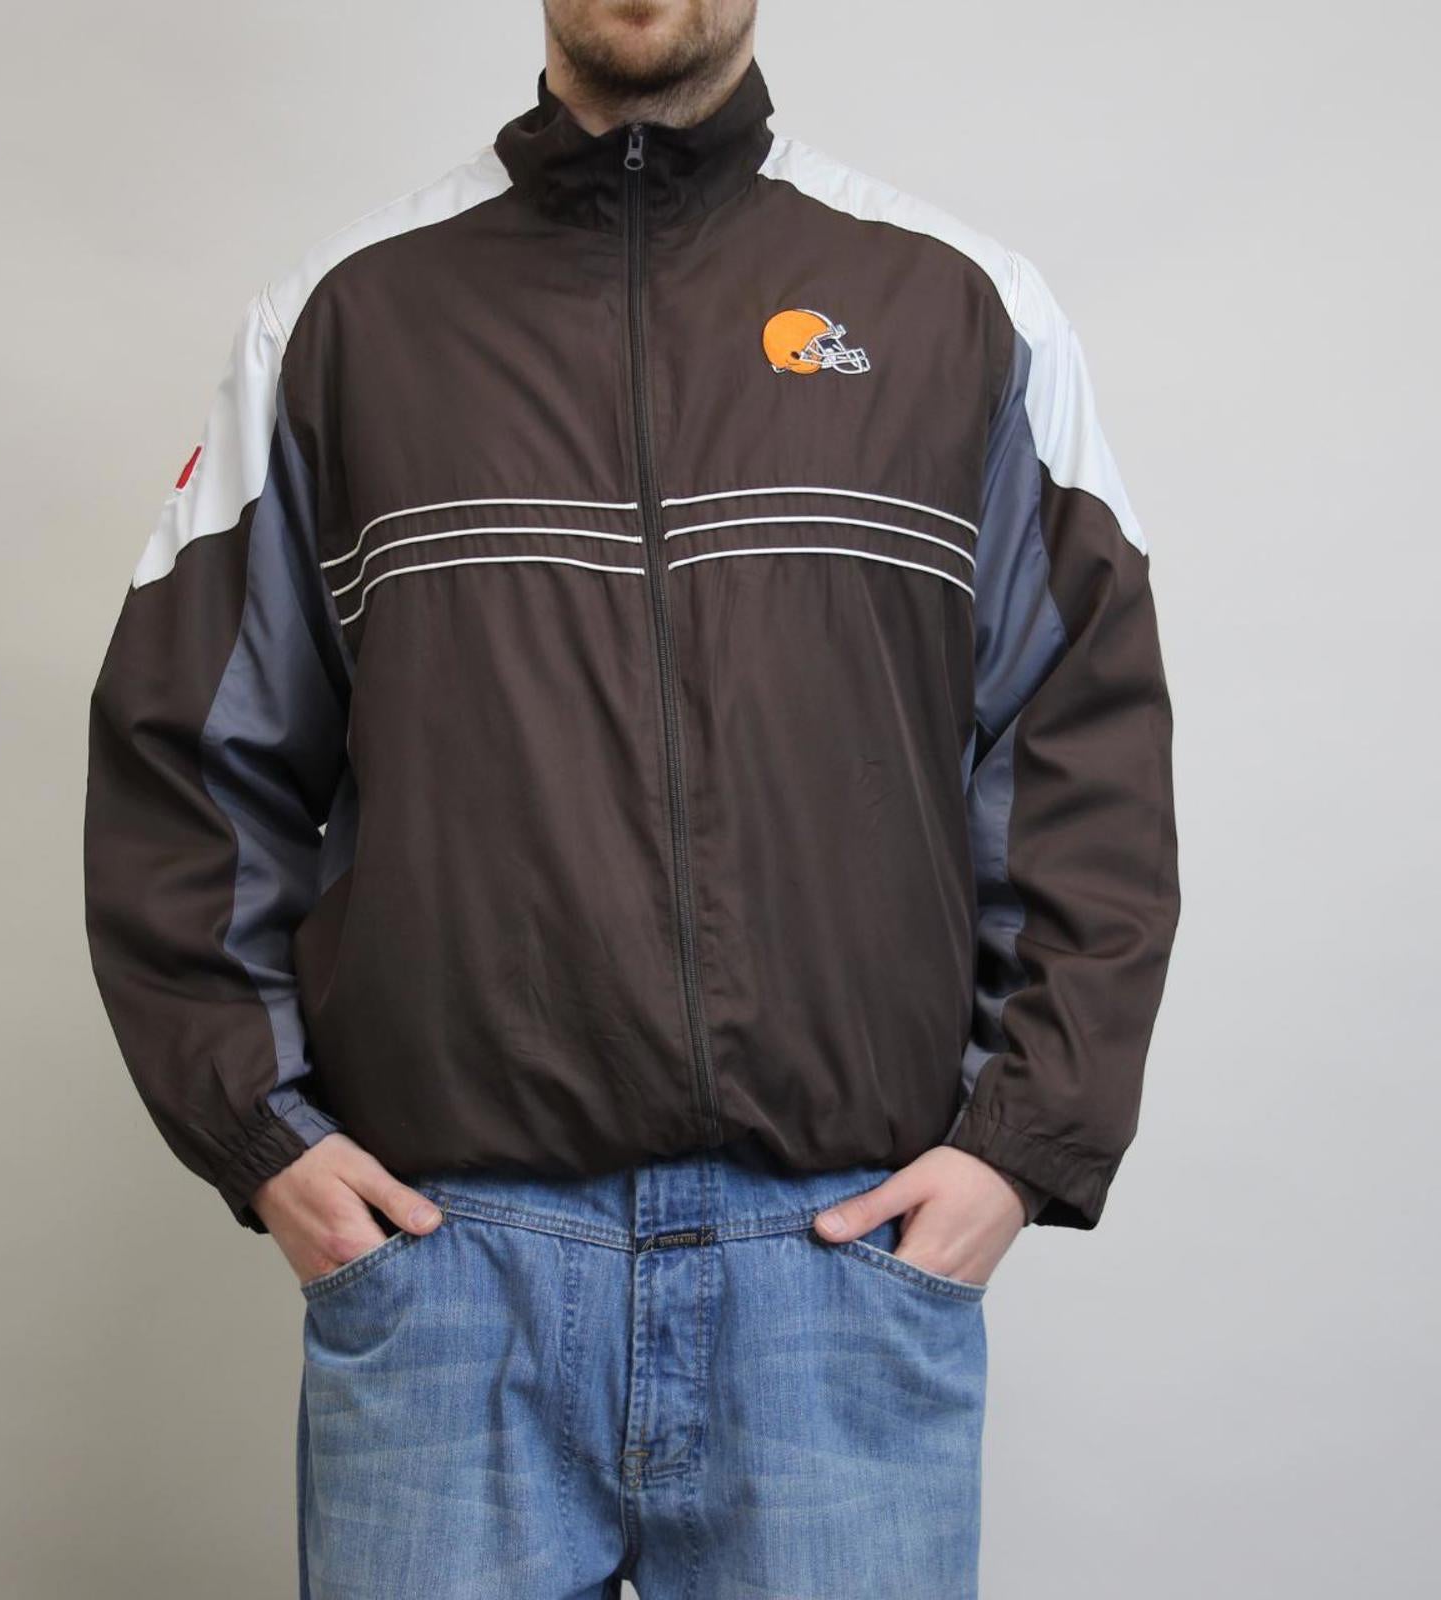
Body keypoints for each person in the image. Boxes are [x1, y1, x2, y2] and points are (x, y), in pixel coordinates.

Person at [83, 2, 1179, 1593]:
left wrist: (1025, 1145)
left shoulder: (958, 305)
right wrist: (260, 1136)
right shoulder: (343, 318)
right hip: (450, 1275)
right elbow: (187, 755)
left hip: (838, 1269)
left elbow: (1084, 746)